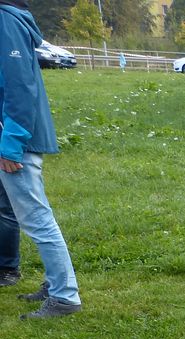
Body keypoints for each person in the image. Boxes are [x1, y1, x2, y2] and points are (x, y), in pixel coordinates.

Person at [0, 0, 81, 319]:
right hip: (13, 136)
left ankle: (64, 296)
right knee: (34, 214)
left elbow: (19, 87)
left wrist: (11, 144)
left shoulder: (5, 20)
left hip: (16, 139)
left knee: (36, 217)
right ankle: (54, 284)